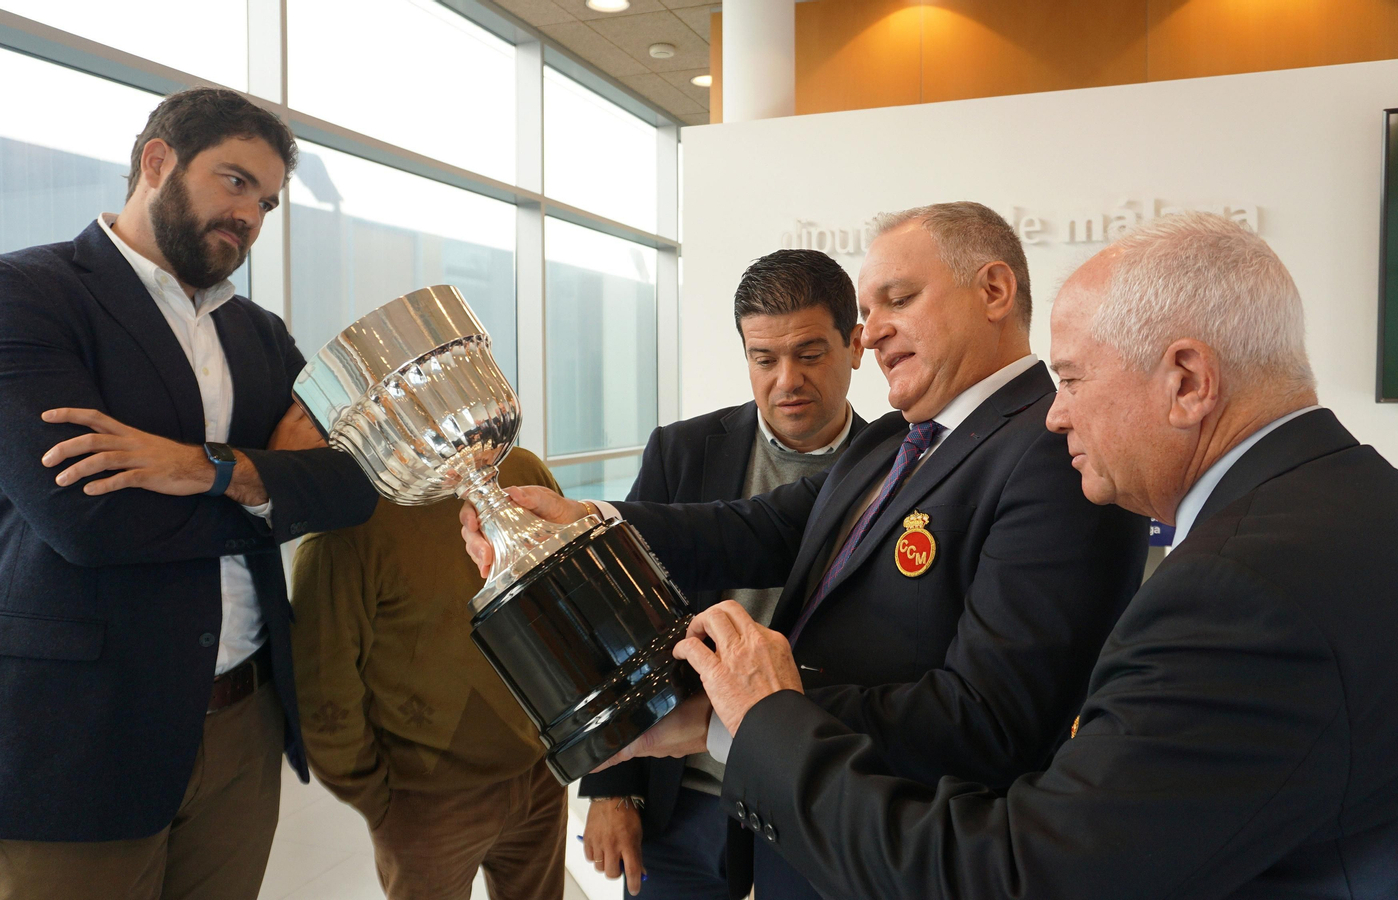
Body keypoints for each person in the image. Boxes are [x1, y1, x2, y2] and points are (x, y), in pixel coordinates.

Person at [672, 212, 1398, 899]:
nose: (1056, 416)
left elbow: (1025, 877)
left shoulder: (1237, 592)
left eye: (1070, 381)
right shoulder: (1393, 512)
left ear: (1186, 381)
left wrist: (768, 721)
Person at [466, 202, 1148, 899]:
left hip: (905, 855)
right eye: (868, 309)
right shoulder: (896, 439)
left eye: (900, 300)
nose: (873, 331)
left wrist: (736, 718)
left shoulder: (1055, 451)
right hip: (808, 834)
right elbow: (751, 529)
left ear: (995, 292)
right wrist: (585, 520)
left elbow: (986, 719)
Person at [0, 87, 379, 900]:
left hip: (245, 716)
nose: (250, 216)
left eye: (267, 201)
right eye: (235, 181)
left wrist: (206, 467)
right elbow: (91, 522)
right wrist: (270, 486)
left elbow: (354, 485)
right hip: (80, 728)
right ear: (157, 161)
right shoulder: (10, 296)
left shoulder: (259, 335)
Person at [579, 249, 868, 899]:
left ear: (855, 345)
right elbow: (616, 619)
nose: (786, 379)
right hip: (681, 795)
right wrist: (610, 784)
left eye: (810, 353)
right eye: (764, 359)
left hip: (810, 793)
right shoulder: (682, 452)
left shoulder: (897, 475)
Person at [291, 448, 568, 900]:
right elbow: (322, 696)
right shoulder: (349, 521)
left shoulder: (519, 470)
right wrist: (383, 805)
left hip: (541, 773)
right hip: (428, 801)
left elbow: (564, 598)